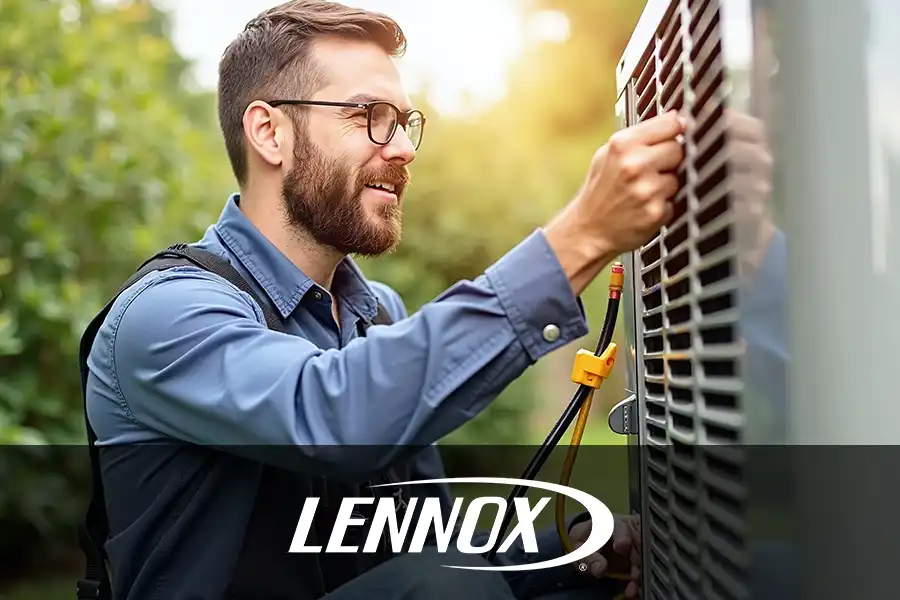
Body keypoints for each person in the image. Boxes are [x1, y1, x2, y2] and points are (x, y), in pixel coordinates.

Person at [79, 1, 686, 599]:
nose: (402, 148)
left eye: (403, 121)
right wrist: (580, 238)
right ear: (269, 132)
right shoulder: (167, 315)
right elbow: (335, 415)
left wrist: (575, 553)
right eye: (368, 115)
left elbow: (427, 541)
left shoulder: (378, 314)